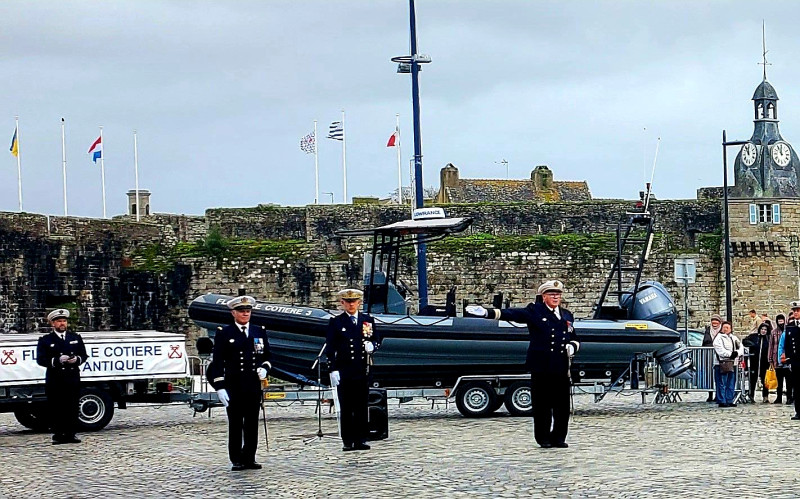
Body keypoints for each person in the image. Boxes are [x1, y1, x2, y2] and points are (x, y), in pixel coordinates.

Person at [466, 279, 579, 449]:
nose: (555, 297)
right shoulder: (535, 311)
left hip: (561, 367)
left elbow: (574, 336)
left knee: (562, 406)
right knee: (542, 405)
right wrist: (487, 313)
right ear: (543, 296)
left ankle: (559, 438)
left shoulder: (566, 315)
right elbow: (513, 314)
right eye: (551, 294)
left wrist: (573, 346)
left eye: (558, 294)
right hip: (541, 366)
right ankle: (543, 438)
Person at [207, 295, 272, 471]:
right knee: (236, 423)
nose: (245, 314)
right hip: (234, 386)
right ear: (233, 313)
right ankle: (236, 458)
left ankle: (249, 456)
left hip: (253, 385)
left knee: (251, 423)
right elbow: (218, 362)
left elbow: (266, 355)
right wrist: (220, 387)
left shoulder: (259, 331)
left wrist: (265, 368)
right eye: (241, 311)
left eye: (248, 311)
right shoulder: (224, 333)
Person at [325, 288, 381, 452]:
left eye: (354, 301)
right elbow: (330, 347)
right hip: (344, 371)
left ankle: (361, 439)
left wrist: (373, 346)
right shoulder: (336, 322)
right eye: (348, 302)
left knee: (361, 406)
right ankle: (348, 440)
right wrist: (333, 369)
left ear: (358, 303)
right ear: (342, 303)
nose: (351, 304)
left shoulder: (367, 321)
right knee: (347, 407)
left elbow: (376, 339)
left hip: (362, 369)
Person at [36, 309, 88, 444]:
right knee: (57, 406)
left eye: (64, 321)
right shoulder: (46, 340)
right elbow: (41, 359)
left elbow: (84, 355)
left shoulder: (75, 338)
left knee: (72, 405)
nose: (62, 324)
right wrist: (56, 360)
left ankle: (71, 434)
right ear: (53, 324)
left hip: (72, 377)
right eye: (59, 321)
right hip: (55, 378)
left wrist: (76, 359)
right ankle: (58, 434)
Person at [713, 321, 743, 407]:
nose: (725, 329)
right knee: (722, 382)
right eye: (724, 327)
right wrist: (730, 354)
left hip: (732, 363)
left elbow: (741, 347)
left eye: (727, 327)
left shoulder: (734, 338)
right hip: (721, 363)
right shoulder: (718, 338)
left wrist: (737, 353)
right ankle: (722, 400)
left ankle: (729, 399)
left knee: (731, 382)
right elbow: (720, 350)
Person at [779, 301, 800, 420]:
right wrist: (786, 358)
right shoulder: (790, 326)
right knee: (797, 388)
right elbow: (787, 344)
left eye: (798, 311)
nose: (796, 313)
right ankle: (798, 411)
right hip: (795, 362)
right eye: (795, 311)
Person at [768, 314, 793, 404]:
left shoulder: (788, 331)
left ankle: (790, 397)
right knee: (779, 381)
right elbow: (771, 346)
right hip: (777, 359)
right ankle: (778, 397)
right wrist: (770, 358)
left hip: (788, 359)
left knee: (789, 380)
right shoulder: (774, 332)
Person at [744, 322, 771, 402]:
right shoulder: (753, 337)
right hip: (754, 361)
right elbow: (744, 341)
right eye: (762, 329)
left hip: (764, 362)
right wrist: (752, 345)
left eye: (765, 330)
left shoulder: (768, 338)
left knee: (765, 380)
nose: (763, 331)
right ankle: (751, 395)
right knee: (753, 379)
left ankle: (765, 396)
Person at [702, 314, 723, 403]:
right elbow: (704, 342)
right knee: (709, 375)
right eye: (713, 322)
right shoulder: (708, 331)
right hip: (708, 356)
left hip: (719, 356)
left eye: (716, 322)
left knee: (718, 375)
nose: (714, 324)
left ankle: (719, 395)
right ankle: (710, 394)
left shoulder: (722, 331)